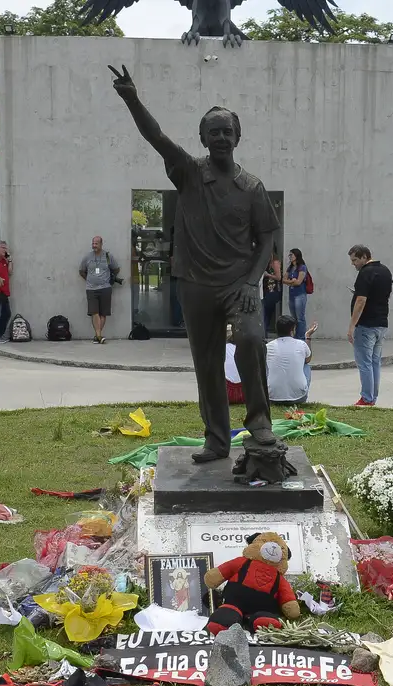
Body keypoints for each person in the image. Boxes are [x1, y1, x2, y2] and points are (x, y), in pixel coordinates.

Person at [111, 65, 282, 465]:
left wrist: (252, 281)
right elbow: (157, 137)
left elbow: (267, 239)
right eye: (214, 131)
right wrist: (132, 99)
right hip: (195, 285)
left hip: (239, 284)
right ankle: (217, 440)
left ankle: (259, 423)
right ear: (203, 138)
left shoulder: (252, 187)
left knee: (252, 341)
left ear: (238, 138)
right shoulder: (188, 173)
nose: (221, 137)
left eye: (228, 131)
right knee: (206, 364)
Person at [348, 244, 392, 407]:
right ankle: (372, 397)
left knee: (365, 362)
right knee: (374, 362)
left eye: (355, 260)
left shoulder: (365, 273)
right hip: (381, 322)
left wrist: (352, 326)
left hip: (366, 324)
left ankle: (366, 398)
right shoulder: (385, 271)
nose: (353, 264)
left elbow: (361, 300)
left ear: (364, 257)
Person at [267, 314, 315, 404]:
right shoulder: (301, 344)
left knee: (267, 364)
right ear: (292, 330)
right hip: (299, 398)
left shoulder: (268, 347)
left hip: (272, 398)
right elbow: (308, 359)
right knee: (306, 366)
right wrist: (308, 336)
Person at [79, 235, 117, 344]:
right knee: (94, 312)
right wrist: (89, 280)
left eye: (96, 243)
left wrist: (109, 279)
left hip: (105, 288)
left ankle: (97, 336)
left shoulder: (108, 256)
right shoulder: (87, 257)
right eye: (93, 243)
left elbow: (116, 269)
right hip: (91, 289)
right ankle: (99, 336)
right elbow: (81, 271)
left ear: (101, 244)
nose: (94, 245)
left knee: (103, 313)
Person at [283, 248, 310, 335]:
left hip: (300, 295)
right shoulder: (290, 268)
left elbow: (298, 282)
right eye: (289, 255)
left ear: (296, 256)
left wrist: (291, 282)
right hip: (292, 295)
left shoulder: (302, 267)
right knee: (293, 318)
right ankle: (295, 335)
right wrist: (292, 281)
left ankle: (301, 337)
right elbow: (283, 280)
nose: (290, 257)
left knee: (300, 318)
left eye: (291, 255)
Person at [262, 256, 282, 334]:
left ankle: (264, 332)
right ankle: (264, 332)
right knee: (265, 313)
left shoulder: (274, 263)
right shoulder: (265, 262)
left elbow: (278, 277)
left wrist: (267, 275)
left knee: (266, 313)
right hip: (265, 290)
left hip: (272, 291)